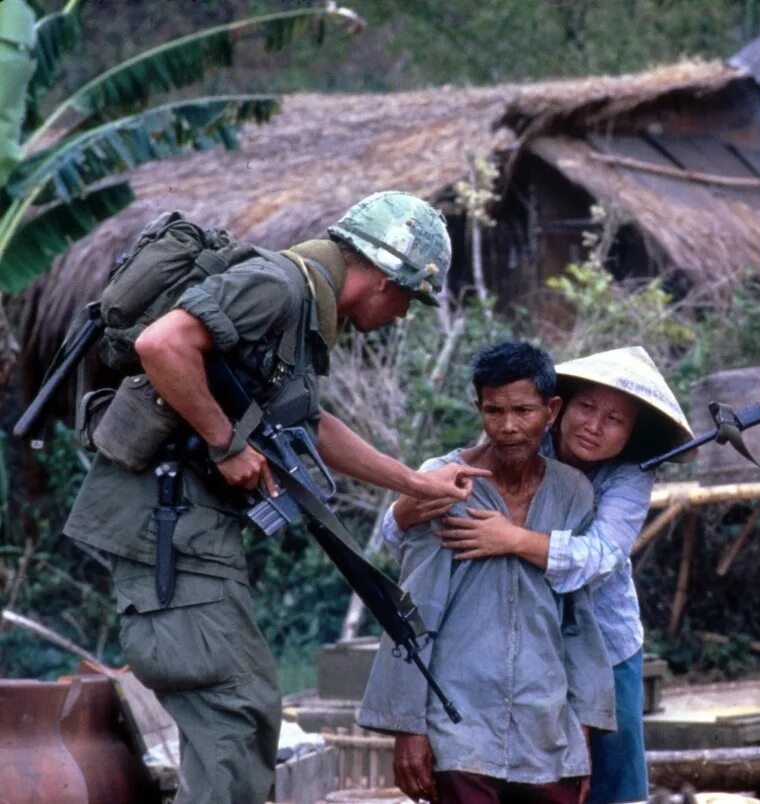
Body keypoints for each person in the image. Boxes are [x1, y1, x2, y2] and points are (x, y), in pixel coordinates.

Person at [63, 191, 488, 804]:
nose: (403, 314)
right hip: (168, 529)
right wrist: (224, 441)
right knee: (236, 717)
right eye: (409, 299)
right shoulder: (278, 285)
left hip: (191, 532)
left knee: (245, 715)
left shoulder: (299, 313)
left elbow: (309, 423)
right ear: (383, 278)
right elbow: (164, 345)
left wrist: (416, 482)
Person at [389, 345, 694, 803]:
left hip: (603, 638)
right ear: (559, 408)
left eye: (614, 420)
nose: (593, 425)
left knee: (610, 778)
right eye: (587, 407)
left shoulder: (629, 477)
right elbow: (401, 536)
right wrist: (410, 503)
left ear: (632, 434)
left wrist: (512, 537)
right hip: (507, 650)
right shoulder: (519, 438)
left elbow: (600, 556)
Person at [358, 341, 618, 804]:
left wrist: (581, 726)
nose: (509, 427)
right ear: (478, 408)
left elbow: (578, 617)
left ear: (551, 410)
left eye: (523, 410)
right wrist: (408, 728)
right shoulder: (444, 481)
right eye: (493, 411)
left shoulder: (573, 491)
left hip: (546, 727)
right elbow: (414, 609)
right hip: (459, 724)